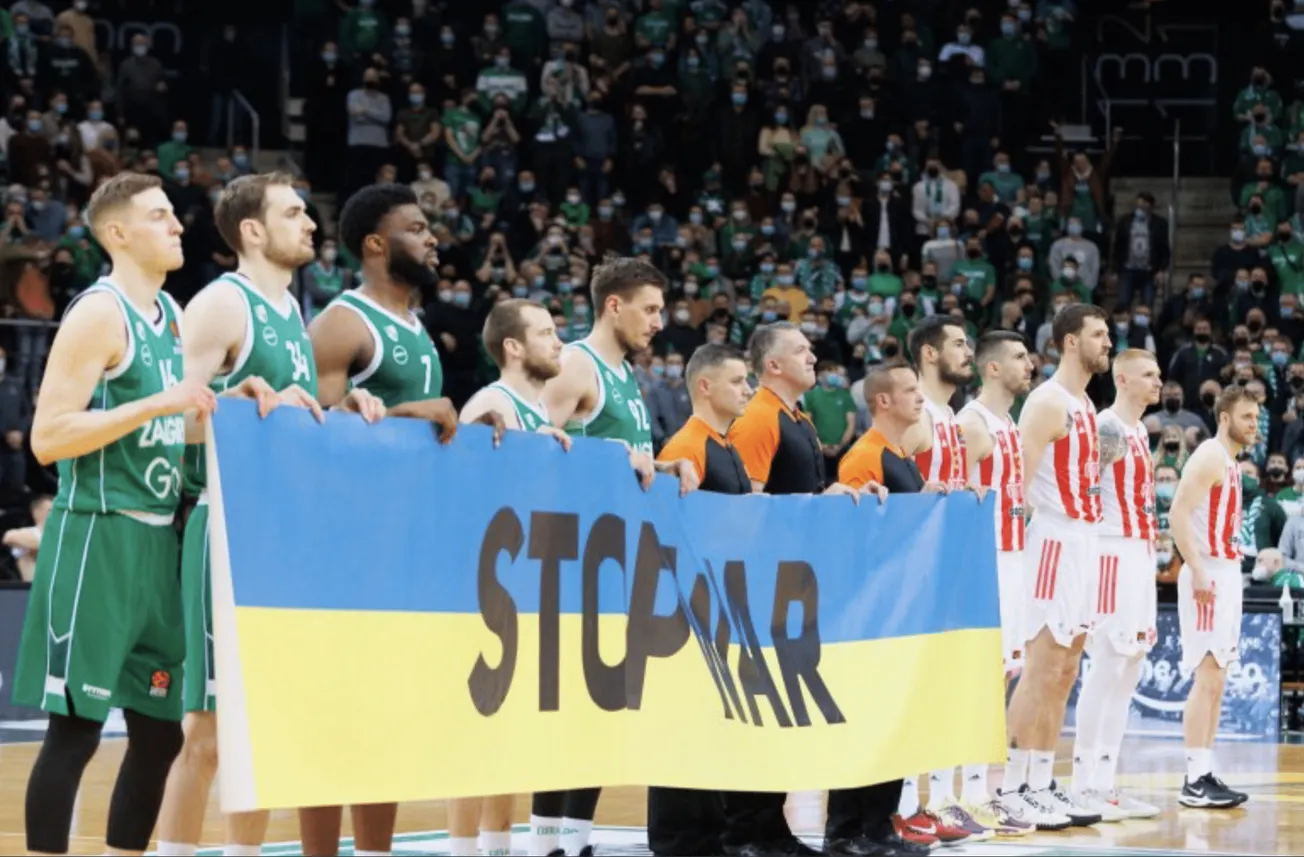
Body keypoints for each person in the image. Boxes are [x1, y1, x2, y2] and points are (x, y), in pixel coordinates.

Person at [156, 172, 385, 857]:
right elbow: (162, 426)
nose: (311, 223)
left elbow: (283, 419)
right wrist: (229, 400)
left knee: (259, 734)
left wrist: (341, 415)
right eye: (293, 213)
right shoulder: (222, 305)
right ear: (252, 230)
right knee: (208, 734)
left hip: (281, 534)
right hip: (223, 529)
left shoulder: (292, 312)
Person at [11, 172, 217, 857]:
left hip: (162, 543)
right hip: (98, 534)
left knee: (160, 731)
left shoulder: (177, 317)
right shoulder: (98, 313)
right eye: (160, 216)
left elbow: (171, 431)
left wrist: (232, 407)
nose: (178, 226)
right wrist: (156, 405)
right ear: (118, 233)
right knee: (76, 728)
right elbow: (50, 436)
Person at [301, 182, 484, 857]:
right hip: (345, 550)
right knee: (336, 719)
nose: (432, 236)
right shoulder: (343, 323)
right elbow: (315, 432)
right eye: (416, 227)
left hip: (406, 547)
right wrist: (419, 413)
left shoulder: (416, 328)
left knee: (384, 721)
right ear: (377, 243)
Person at [536, 256, 699, 857]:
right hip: (573, 563)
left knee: (602, 713)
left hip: (618, 562)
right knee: (575, 713)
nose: (660, 321)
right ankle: (547, 845)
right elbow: (534, 449)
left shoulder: (625, 374)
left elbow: (620, 460)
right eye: (651, 309)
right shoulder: (577, 363)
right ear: (614, 305)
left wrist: (664, 465)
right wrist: (615, 462)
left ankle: (570, 843)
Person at [727, 322, 902, 857]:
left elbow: (797, 493)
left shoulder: (796, 417)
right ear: (773, 364)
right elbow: (744, 507)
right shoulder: (758, 416)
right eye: (800, 350)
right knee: (762, 710)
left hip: (794, 580)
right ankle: (745, 832)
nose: (813, 355)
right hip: (762, 583)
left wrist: (839, 493)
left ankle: (770, 828)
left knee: (784, 714)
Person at [445, 299, 572, 857]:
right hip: (482, 589)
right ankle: (464, 850)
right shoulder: (492, 404)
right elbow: (461, 492)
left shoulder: (538, 410)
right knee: (476, 735)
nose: (558, 341)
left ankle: (496, 847)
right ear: (513, 347)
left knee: (507, 738)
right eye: (545, 332)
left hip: (524, 587)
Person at [1001, 303, 1112, 827]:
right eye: (1099, 334)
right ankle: (1011, 786)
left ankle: (1043, 781)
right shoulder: (1047, 402)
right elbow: (1018, 484)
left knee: (1067, 670)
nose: (1106, 342)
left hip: (1085, 541)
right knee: (1041, 668)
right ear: (1071, 341)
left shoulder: (1087, 404)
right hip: (1052, 542)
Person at [648, 343, 752, 857]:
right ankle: (680, 839)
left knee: (713, 723)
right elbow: (669, 527)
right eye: (737, 381)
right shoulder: (687, 444)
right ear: (705, 387)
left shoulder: (724, 444)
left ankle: (708, 833)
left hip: (719, 605)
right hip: (687, 609)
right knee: (684, 722)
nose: (748, 390)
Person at [896, 315, 988, 843]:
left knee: (945, 689)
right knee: (918, 689)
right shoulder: (919, 416)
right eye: (957, 344)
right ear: (930, 354)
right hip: (919, 574)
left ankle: (938, 801)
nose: (966, 351)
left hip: (950, 569)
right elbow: (885, 477)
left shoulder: (950, 416)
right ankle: (906, 805)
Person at [1068, 348, 1163, 821]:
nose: (1157, 381)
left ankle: (1105, 783)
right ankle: (1082, 783)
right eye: (1148, 374)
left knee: (1129, 669)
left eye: (1159, 374)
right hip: (1110, 552)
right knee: (1106, 665)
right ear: (1122, 378)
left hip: (1140, 554)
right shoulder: (1106, 428)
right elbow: (1083, 492)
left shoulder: (1141, 431)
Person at [953, 331, 1041, 835]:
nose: (1028, 364)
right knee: (978, 677)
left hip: (1013, 557)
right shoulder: (972, 424)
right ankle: (965, 794)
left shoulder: (1007, 423)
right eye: (1018, 358)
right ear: (991, 369)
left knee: (1003, 676)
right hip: (983, 563)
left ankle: (985, 792)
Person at [1167, 385, 1258, 809]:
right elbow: (1177, 513)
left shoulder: (1231, 463)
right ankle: (1193, 779)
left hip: (1225, 572)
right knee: (1207, 677)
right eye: (1246, 417)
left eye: (1257, 418)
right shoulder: (1209, 455)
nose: (1253, 425)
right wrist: (1199, 569)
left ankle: (1203, 771)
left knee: (1217, 678)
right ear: (1225, 417)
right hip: (1209, 574)